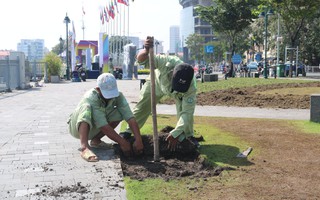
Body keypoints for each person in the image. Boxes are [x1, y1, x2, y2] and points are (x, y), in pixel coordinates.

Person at [121, 36, 199, 150]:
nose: (175, 89)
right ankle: (128, 131)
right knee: (142, 106)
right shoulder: (166, 61)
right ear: (172, 73)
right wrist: (146, 50)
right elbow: (142, 60)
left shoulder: (191, 87)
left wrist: (175, 132)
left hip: (180, 96)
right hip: (156, 83)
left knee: (184, 112)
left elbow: (187, 112)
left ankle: (188, 135)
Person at [67, 73, 144, 162]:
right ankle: (84, 148)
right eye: (107, 94)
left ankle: (96, 140)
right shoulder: (91, 98)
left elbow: (130, 118)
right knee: (86, 107)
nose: (110, 97)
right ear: (98, 89)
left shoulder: (118, 96)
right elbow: (103, 125)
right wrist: (122, 142)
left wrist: (138, 139)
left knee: (119, 113)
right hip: (77, 128)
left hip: (94, 128)